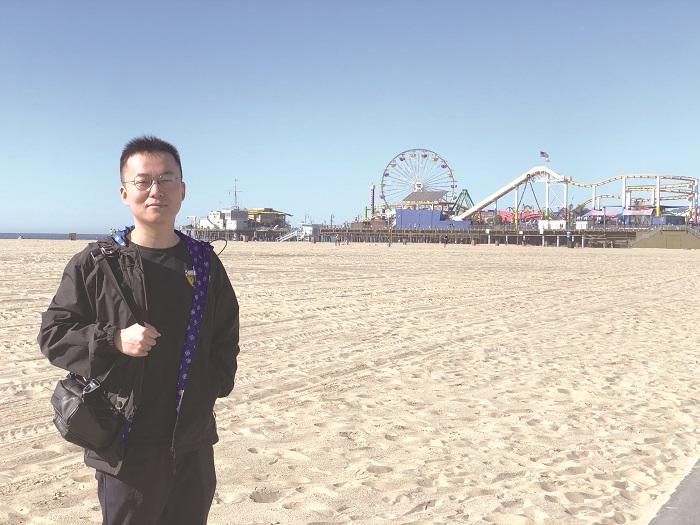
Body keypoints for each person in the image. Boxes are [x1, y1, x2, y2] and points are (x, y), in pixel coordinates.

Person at [38, 136, 240, 525]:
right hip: (125, 445)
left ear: (182, 191)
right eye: (143, 181)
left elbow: (225, 337)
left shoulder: (205, 264)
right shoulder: (97, 263)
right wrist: (113, 339)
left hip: (192, 441)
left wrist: (211, 387)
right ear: (124, 193)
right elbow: (54, 334)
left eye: (166, 180)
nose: (155, 190)